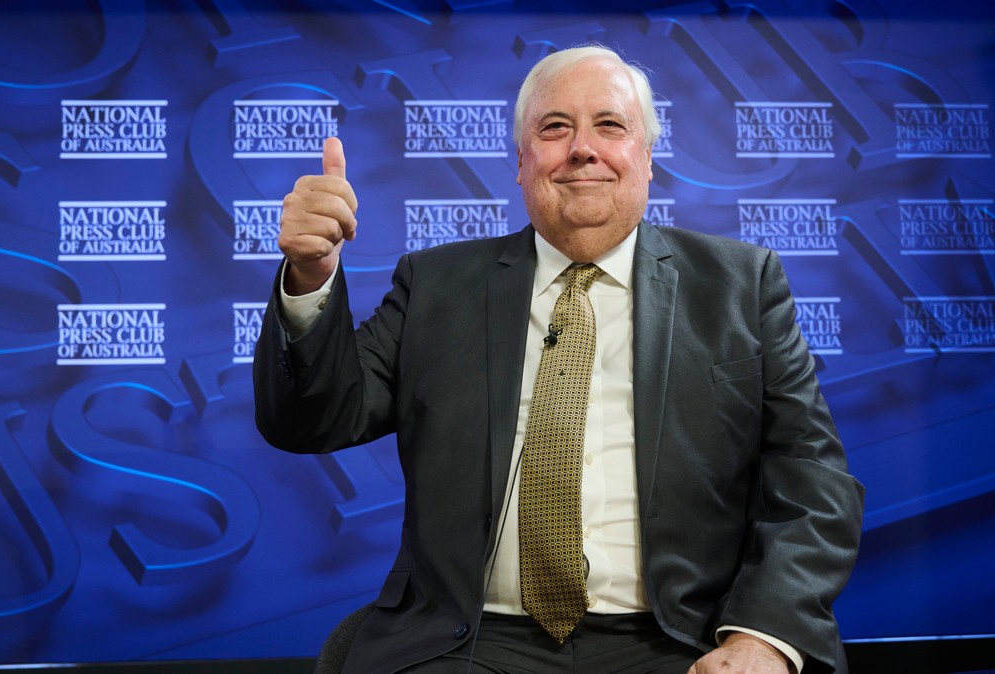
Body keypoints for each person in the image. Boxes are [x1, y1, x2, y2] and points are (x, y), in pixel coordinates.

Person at [254, 45, 864, 674]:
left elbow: (813, 482)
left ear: (647, 157)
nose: (582, 149)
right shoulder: (435, 286)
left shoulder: (741, 286)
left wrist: (761, 638)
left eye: (610, 125)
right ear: (521, 162)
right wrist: (310, 276)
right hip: (471, 642)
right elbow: (311, 420)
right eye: (554, 128)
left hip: (681, 639)